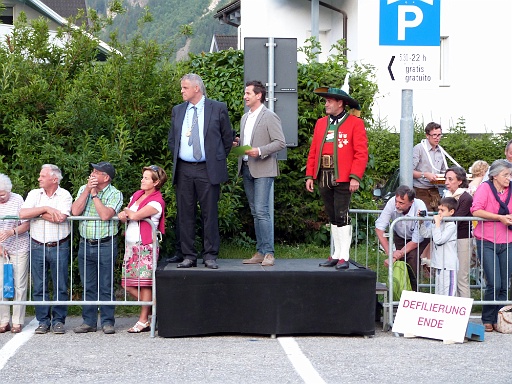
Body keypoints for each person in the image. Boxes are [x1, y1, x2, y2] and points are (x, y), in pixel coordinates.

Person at [168, 73, 233, 270]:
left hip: (207, 168)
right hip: (184, 168)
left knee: (209, 213)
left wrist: (215, 158)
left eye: (185, 87)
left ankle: (210, 255)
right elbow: (173, 139)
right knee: (185, 213)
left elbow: (227, 138)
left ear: (197, 88)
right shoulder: (178, 110)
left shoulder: (218, 108)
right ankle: (188, 256)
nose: (182, 91)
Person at [305, 86, 368, 270]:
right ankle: (335, 254)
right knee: (332, 216)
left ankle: (344, 256)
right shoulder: (321, 123)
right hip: (323, 173)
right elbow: (314, 151)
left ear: (340, 103)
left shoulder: (355, 123)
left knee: (342, 215)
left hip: (343, 175)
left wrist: (355, 177)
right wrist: (310, 175)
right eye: (326, 101)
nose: (326, 104)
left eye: (329, 101)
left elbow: (361, 153)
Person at [19, 164, 72, 335]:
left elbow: (61, 218)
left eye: (42, 176)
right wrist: (46, 208)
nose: (39, 178)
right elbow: (23, 213)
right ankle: (43, 321)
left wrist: (38, 213)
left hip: (59, 245)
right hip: (37, 244)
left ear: (54, 179)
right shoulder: (35, 193)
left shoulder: (64, 195)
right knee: (39, 286)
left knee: (60, 285)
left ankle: (58, 321)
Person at [237, 80, 286, 267]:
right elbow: (248, 140)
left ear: (259, 95)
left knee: (261, 210)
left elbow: (280, 142)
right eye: (245, 93)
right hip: (247, 167)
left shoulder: (269, 116)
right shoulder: (245, 117)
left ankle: (269, 253)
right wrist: (238, 143)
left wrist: (259, 150)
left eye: (248, 93)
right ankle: (260, 251)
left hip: (264, 168)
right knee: (255, 212)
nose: (245, 96)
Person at [71, 162, 123, 334]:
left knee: (106, 285)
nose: (91, 175)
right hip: (86, 243)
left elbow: (105, 215)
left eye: (96, 172)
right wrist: (87, 191)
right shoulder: (82, 189)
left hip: (106, 244)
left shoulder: (115, 194)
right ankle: (89, 321)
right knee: (88, 285)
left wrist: (94, 195)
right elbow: (75, 212)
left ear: (106, 177)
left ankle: (108, 322)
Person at [118, 165, 167, 333]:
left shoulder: (157, 201)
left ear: (156, 182)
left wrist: (126, 212)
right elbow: (125, 217)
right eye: (143, 177)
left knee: (145, 284)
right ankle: (156, 309)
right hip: (131, 246)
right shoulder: (136, 196)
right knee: (127, 284)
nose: (142, 180)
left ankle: (143, 319)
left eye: (146, 178)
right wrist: (125, 214)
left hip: (146, 246)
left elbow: (134, 216)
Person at [471, 159, 512, 332]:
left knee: (504, 284)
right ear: (494, 175)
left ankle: (499, 317)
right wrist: (499, 218)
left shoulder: (511, 189)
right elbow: (476, 210)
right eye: (505, 175)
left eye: (510, 175)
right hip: (487, 240)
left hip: (508, 240)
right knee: (493, 282)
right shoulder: (485, 188)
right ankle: (488, 317)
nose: (509, 178)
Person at [375, 185, 429, 291]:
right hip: (400, 235)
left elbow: (416, 241)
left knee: (412, 259)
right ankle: (398, 292)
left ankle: (413, 293)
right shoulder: (392, 202)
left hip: (418, 239)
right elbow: (379, 228)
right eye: (396, 201)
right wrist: (391, 253)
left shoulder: (420, 207)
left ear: (411, 202)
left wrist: (395, 256)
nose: (397, 205)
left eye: (401, 203)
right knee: (399, 263)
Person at [0, 174, 30, 334]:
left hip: (19, 246)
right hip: (0, 248)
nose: (0, 198)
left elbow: (26, 225)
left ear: (9, 191)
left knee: (19, 284)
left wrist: (11, 232)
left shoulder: (18, 199)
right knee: (1, 284)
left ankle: (17, 321)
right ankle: (3, 321)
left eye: (2, 194)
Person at [443, 166, 473, 297]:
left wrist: (441, 220)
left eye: (450, 179)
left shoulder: (466, 198)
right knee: (450, 276)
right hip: (449, 239)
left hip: (462, 239)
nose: (446, 182)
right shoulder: (446, 196)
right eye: (446, 179)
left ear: (460, 181)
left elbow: (455, 220)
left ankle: (464, 311)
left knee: (462, 276)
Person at [419, 197, 459, 296]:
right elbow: (426, 234)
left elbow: (439, 240)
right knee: (439, 295)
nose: (439, 213)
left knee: (448, 295)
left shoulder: (451, 225)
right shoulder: (439, 223)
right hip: (439, 264)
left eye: (442, 210)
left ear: (451, 212)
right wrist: (421, 222)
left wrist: (436, 224)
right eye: (439, 210)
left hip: (448, 266)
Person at [412, 122, 447, 211]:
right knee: (425, 219)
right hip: (420, 190)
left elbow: (443, 171)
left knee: (440, 216)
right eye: (434, 135)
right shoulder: (419, 149)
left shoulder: (441, 151)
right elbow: (409, 171)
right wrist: (425, 175)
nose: (437, 138)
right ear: (427, 135)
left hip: (435, 190)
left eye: (439, 135)